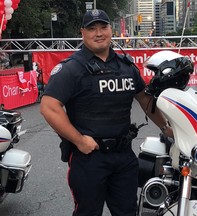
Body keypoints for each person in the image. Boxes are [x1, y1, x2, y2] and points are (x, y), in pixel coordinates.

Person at [40, 9, 172, 216]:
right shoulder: (72, 68)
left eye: (103, 27)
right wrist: (79, 141)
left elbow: (145, 100)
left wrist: (167, 128)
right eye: (92, 29)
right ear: (82, 33)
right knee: (88, 212)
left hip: (124, 157)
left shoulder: (126, 66)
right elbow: (49, 106)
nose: (98, 33)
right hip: (90, 158)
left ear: (111, 30)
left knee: (127, 211)